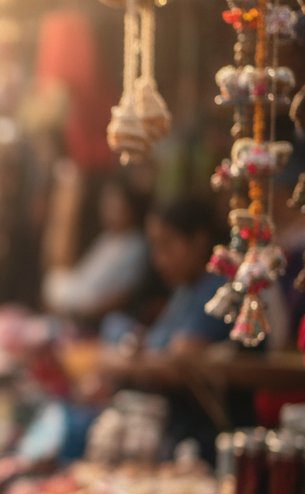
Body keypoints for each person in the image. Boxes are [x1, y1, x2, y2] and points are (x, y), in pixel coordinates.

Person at [97, 196, 233, 460]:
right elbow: (154, 347)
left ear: (200, 240)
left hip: (196, 440)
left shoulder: (218, 290)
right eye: (155, 248)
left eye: (167, 245)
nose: (159, 260)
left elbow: (176, 366)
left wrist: (115, 360)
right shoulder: (186, 289)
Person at [42, 173, 150, 321]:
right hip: (78, 300)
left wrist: (85, 310)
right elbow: (82, 275)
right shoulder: (107, 238)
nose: (109, 210)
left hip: (94, 313)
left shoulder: (136, 244)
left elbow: (125, 293)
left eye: (115, 205)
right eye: (107, 204)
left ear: (131, 208)